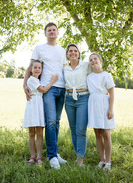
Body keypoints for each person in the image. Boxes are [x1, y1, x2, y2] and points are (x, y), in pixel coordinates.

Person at [23, 22, 67, 170]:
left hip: (62, 88)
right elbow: (30, 67)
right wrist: (25, 84)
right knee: (51, 121)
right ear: (46, 33)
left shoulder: (62, 50)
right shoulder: (39, 48)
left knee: (57, 121)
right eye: (49, 30)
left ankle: (54, 152)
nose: (52, 32)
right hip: (48, 88)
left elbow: (65, 68)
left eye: (54, 30)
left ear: (58, 33)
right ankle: (52, 156)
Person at [23, 60, 59, 165]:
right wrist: (53, 81)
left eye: (39, 68)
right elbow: (43, 90)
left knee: (39, 132)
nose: (37, 69)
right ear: (31, 69)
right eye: (35, 67)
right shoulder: (31, 80)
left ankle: (39, 157)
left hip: (39, 106)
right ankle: (32, 156)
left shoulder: (38, 80)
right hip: (33, 106)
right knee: (31, 133)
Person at [63, 44, 91, 167]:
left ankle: (80, 159)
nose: (73, 53)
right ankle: (77, 154)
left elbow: (96, 75)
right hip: (68, 99)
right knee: (73, 130)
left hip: (83, 98)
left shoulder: (85, 65)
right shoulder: (64, 68)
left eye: (75, 51)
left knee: (81, 130)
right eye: (70, 51)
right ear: (67, 55)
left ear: (79, 54)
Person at [87, 52, 115, 171]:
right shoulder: (89, 77)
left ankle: (108, 161)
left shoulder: (106, 75)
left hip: (104, 103)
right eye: (91, 60)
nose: (93, 61)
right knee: (97, 132)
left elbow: (112, 92)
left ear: (100, 61)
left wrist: (110, 108)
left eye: (95, 59)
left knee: (106, 133)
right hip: (93, 104)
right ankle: (102, 159)